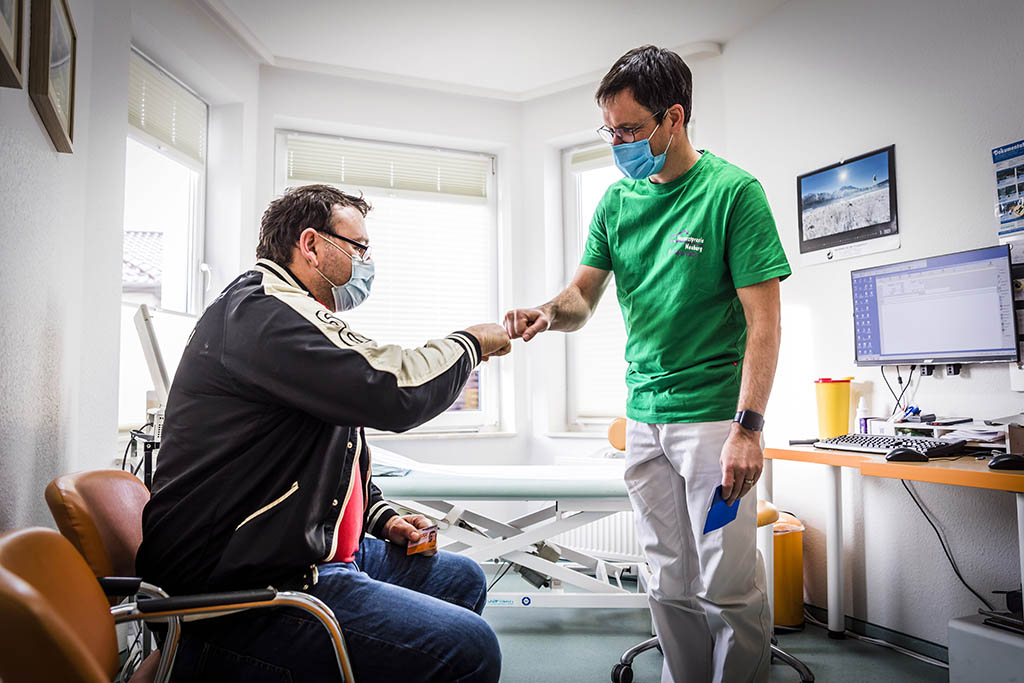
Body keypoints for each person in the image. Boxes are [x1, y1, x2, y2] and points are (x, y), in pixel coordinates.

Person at [137, 184, 508, 682]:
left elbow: (330, 456)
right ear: (311, 245)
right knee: (471, 648)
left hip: (303, 551)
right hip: (245, 587)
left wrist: (381, 518)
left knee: (460, 578)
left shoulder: (290, 321)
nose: (366, 263)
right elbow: (395, 390)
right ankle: (208, 659)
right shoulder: (264, 313)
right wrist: (471, 343)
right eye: (358, 248)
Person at [504, 46, 791, 683]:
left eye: (631, 130)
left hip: (713, 424)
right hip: (644, 419)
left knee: (727, 583)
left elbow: (765, 323)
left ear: (675, 118)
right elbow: (582, 299)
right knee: (665, 578)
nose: (619, 144)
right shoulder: (616, 203)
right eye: (610, 131)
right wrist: (547, 312)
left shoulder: (732, 194)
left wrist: (749, 429)